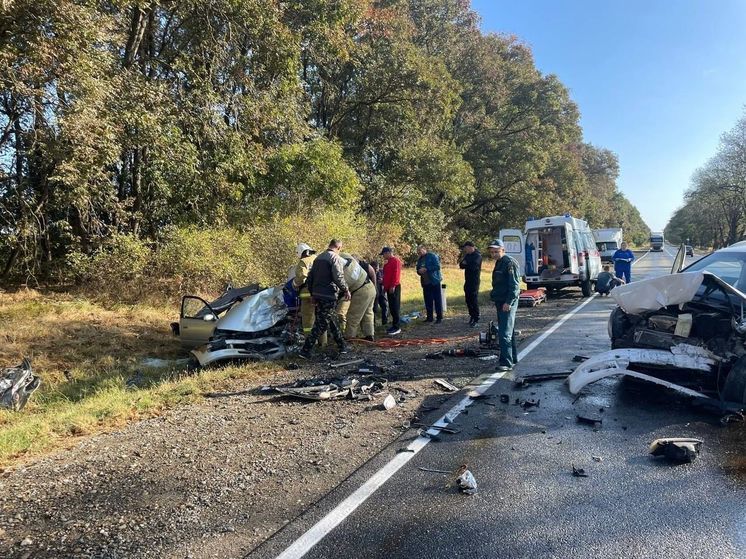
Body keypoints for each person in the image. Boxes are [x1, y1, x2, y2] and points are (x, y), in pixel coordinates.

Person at [298, 239, 350, 358]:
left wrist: (312, 294)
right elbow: (338, 276)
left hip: (318, 295)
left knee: (331, 319)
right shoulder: (334, 258)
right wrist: (346, 289)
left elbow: (310, 278)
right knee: (321, 323)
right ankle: (305, 350)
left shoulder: (318, 258)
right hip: (329, 295)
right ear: (338, 247)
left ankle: (342, 346)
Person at [489, 239, 520, 371]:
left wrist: (509, 302)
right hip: (500, 301)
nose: (494, 254)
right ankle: (512, 358)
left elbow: (514, 286)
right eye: (492, 252)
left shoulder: (509, 263)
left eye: (496, 251)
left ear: (503, 250)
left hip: (507, 302)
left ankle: (506, 363)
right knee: (508, 331)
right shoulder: (499, 263)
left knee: (504, 333)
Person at [337, 254, 377, 341]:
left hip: (361, 292)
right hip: (370, 287)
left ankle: (349, 337)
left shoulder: (345, 273)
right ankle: (369, 335)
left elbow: (341, 288)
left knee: (353, 316)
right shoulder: (348, 258)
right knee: (368, 314)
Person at [292, 243, 326, 346]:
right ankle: (323, 343)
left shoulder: (303, 261)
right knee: (320, 318)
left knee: (308, 320)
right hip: (321, 293)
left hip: (308, 295)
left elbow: (302, 277)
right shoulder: (318, 259)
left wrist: (294, 284)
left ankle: (311, 344)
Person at [416, 245, 443, 323]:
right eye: (418, 252)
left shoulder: (432, 256)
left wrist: (427, 269)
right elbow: (417, 268)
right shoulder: (420, 259)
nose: (419, 253)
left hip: (434, 281)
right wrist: (419, 271)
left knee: (437, 299)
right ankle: (429, 317)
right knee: (428, 300)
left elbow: (437, 266)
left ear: (424, 249)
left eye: (420, 251)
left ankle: (439, 317)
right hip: (425, 282)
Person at [458, 241, 482, 327]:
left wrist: (466, 264)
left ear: (471, 247)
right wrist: (466, 264)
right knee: (468, 299)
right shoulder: (467, 255)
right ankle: (471, 315)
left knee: (473, 299)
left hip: (474, 281)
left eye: (466, 248)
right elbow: (461, 265)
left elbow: (474, 267)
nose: (465, 250)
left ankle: (476, 317)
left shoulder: (477, 255)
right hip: (467, 280)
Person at [380, 246, 402, 335]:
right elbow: (386, 276)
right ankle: (394, 324)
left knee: (395, 306)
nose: (383, 256)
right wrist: (384, 285)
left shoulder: (395, 261)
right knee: (392, 307)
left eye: (384, 254)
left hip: (394, 287)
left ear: (388, 253)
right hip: (388, 287)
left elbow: (396, 274)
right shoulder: (387, 263)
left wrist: (393, 286)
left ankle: (397, 326)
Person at [370, 261, 389, 326]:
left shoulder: (382, 271)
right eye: (374, 268)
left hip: (382, 292)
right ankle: (373, 324)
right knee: (373, 309)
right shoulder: (368, 273)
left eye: (377, 268)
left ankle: (385, 322)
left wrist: (383, 280)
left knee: (385, 306)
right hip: (374, 294)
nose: (376, 270)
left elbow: (387, 278)